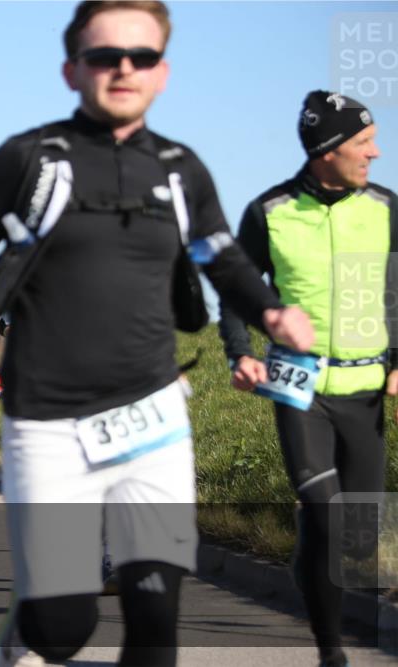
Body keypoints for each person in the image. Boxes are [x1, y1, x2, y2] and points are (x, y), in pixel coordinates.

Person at [0, 3, 315, 665]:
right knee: (64, 624)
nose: (124, 68)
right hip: (47, 423)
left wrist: (271, 312)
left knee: (156, 615)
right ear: (73, 69)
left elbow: (223, 255)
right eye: (106, 56)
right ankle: (27, 631)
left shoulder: (181, 169)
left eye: (143, 56)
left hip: (151, 416)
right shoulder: (25, 160)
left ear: (163, 73)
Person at [218, 90, 395, 667]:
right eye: (362, 143)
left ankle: (310, 544)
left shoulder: (387, 208)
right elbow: (237, 293)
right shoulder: (269, 211)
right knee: (329, 514)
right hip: (297, 380)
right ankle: (330, 652)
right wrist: (240, 353)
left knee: (358, 537)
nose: (374, 152)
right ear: (329, 149)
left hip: (365, 386)